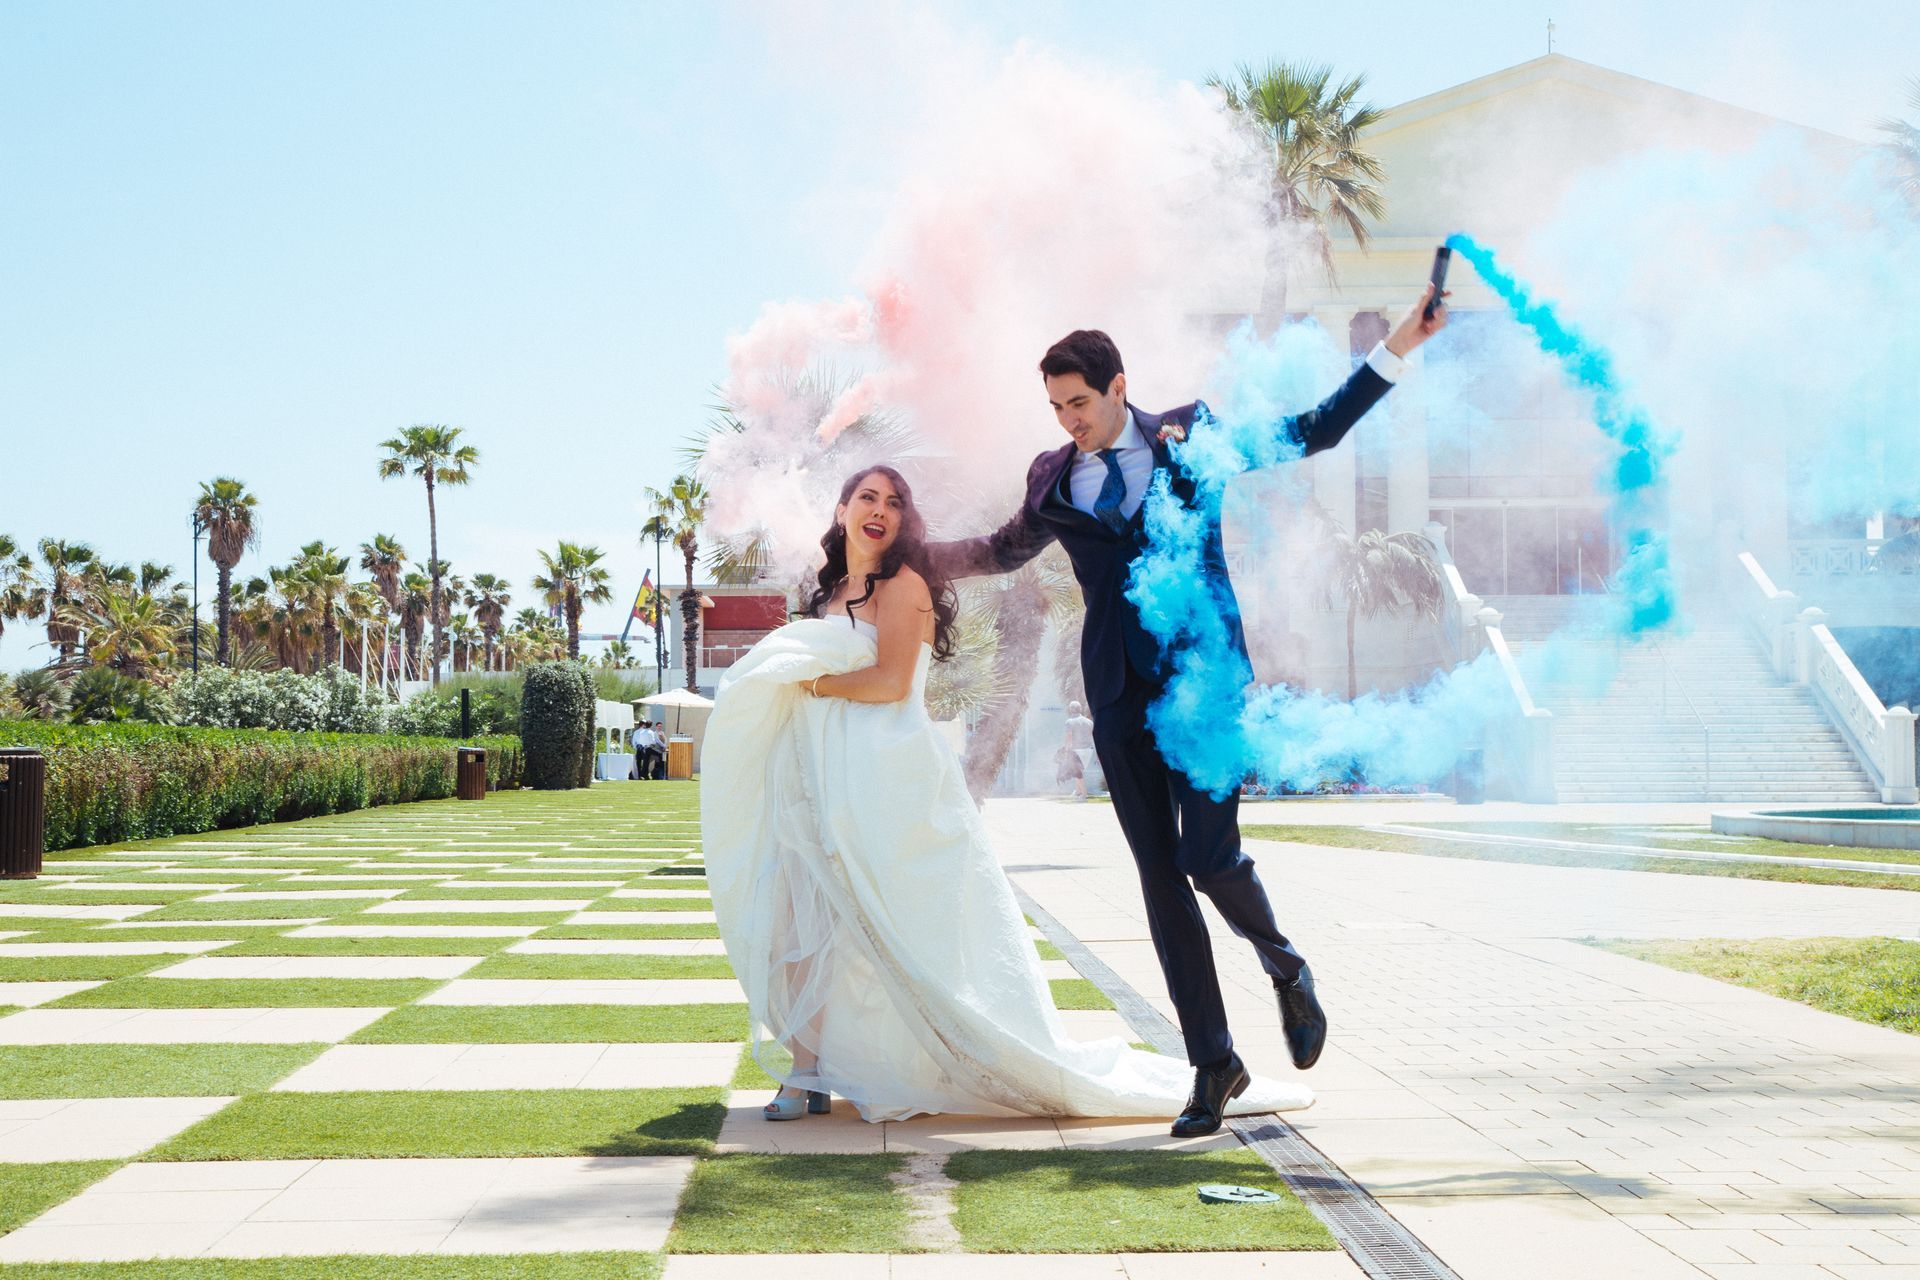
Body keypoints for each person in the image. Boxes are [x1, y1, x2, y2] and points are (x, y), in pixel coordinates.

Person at [928, 285, 1448, 1136]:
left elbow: (1311, 430)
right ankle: (1214, 1063)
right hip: (1117, 695)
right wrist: (902, 551)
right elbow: (997, 549)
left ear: (1120, 386)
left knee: (1209, 859)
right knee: (1158, 879)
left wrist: (1398, 345)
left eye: (1080, 403)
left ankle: (1284, 966)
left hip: (1202, 683)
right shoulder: (1053, 478)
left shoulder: (1192, 433)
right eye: (1056, 407)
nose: (1069, 421)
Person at [701, 464, 1312, 1126]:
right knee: (805, 917)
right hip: (828, 779)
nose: (881, 510)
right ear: (842, 509)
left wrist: (809, 683)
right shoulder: (828, 592)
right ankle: (808, 1070)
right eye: (868, 498)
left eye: (895, 502)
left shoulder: (905, 586)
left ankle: (961, 1057)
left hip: (889, 782)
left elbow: (886, 681)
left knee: (899, 933)